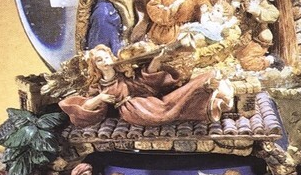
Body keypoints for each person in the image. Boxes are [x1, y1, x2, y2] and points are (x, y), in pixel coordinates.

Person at [58, 43, 234, 127]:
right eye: (99, 60)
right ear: (95, 65)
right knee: (167, 112)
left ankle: (206, 84)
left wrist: (156, 61)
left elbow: (145, 82)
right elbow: (86, 107)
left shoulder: (125, 74)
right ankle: (206, 95)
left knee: (173, 100)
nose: (105, 62)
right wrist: (101, 97)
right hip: (135, 111)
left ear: (112, 57)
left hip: (148, 102)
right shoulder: (99, 86)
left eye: (106, 57)